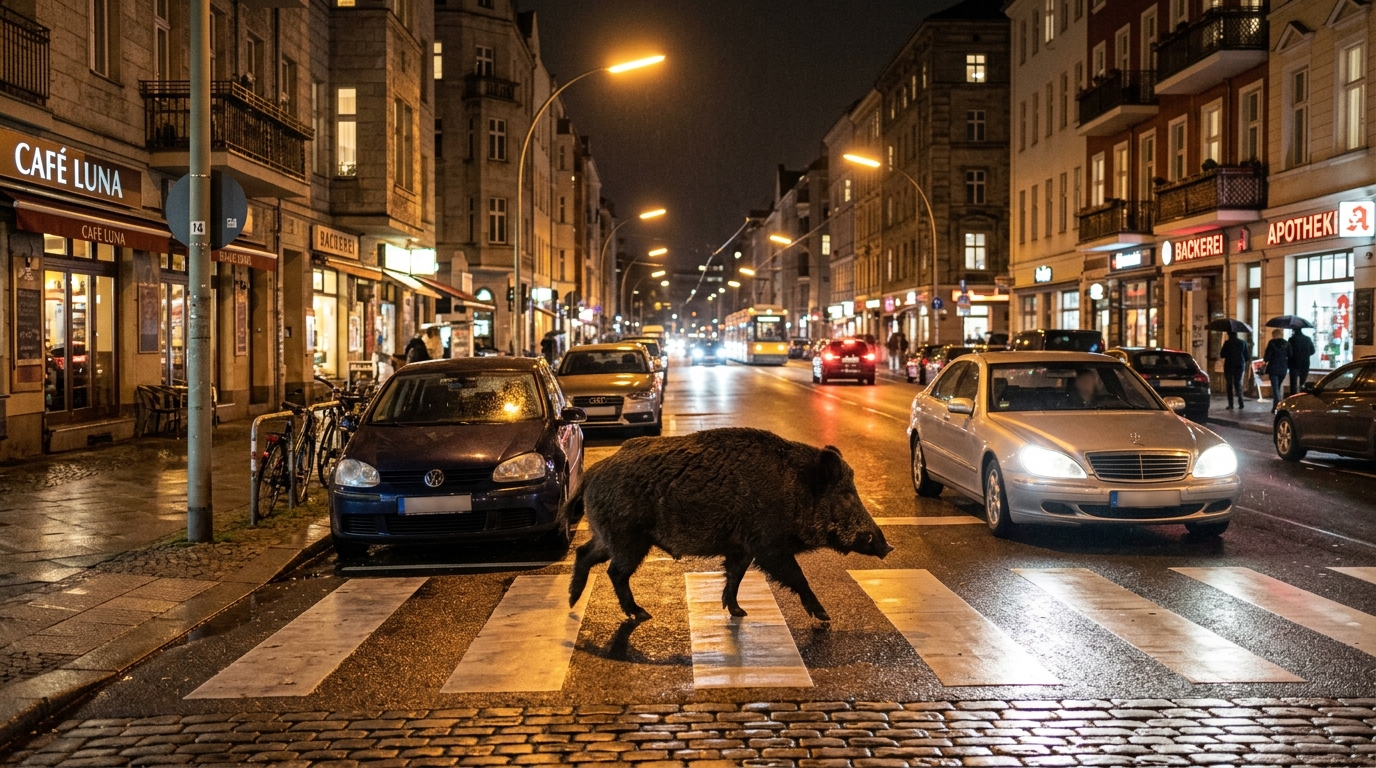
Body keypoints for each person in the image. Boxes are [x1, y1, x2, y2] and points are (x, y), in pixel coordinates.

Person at [1219, 331, 1250, 410]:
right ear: (1236, 334)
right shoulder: (1243, 343)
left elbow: (1222, 355)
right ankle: (1241, 403)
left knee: (1229, 385)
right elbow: (1247, 356)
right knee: (1238, 384)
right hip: (1239, 366)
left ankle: (1231, 404)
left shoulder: (1227, 343)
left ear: (1229, 335)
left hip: (1229, 366)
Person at [1262, 329, 1290, 412]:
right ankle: (1275, 407)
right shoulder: (1286, 343)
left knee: (1275, 388)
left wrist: (1265, 361)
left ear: (1274, 335)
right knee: (1277, 387)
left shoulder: (1271, 343)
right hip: (1283, 368)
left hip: (1273, 368)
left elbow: (1267, 356)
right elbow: (1290, 354)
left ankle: (1278, 406)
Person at [1287, 328, 1314, 396]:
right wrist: (1306, 355)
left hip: (1293, 363)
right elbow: (1312, 351)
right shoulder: (1307, 339)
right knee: (1303, 382)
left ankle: (1293, 397)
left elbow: (1288, 351)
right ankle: (1302, 396)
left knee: (1293, 382)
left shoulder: (1291, 339)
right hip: (1305, 363)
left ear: (1294, 331)